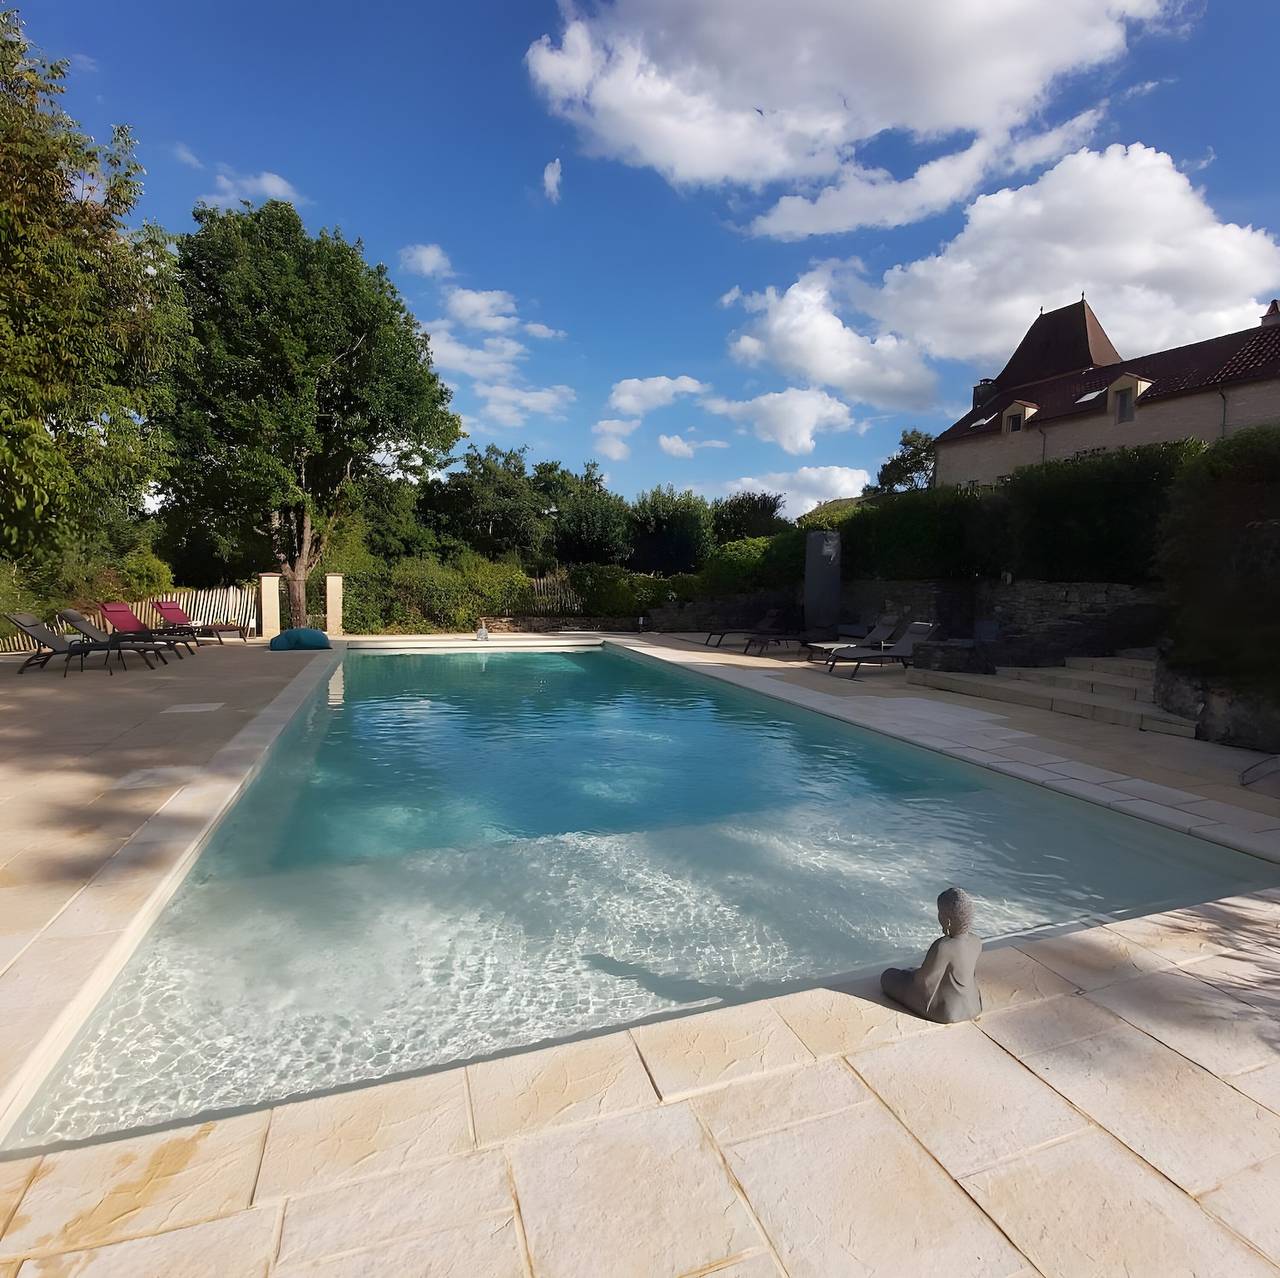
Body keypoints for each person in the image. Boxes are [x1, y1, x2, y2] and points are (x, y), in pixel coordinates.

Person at [880, 887, 982, 1023]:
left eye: (940, 913)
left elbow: (923, 983)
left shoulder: (943, 947)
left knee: (888, 977)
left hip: (947, 1011)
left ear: (948, 921)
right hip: (974, 1005)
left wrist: (910, 975)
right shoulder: (977, 941)